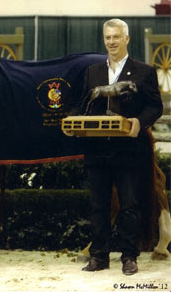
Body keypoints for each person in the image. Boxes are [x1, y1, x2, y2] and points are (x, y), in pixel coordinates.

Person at [67, 19, 163, 275]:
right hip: (97, 151)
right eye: (108, 37)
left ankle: (129, 256)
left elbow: (155, 107)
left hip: (129, 152)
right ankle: (99, 256)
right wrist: (70, 120)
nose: (111, 42)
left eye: (116, 37)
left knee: (130, 205)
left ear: (127, 39)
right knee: (98, 206)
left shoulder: (144, 72)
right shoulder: (92, 72)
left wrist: (139, 122)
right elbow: (81, 104)